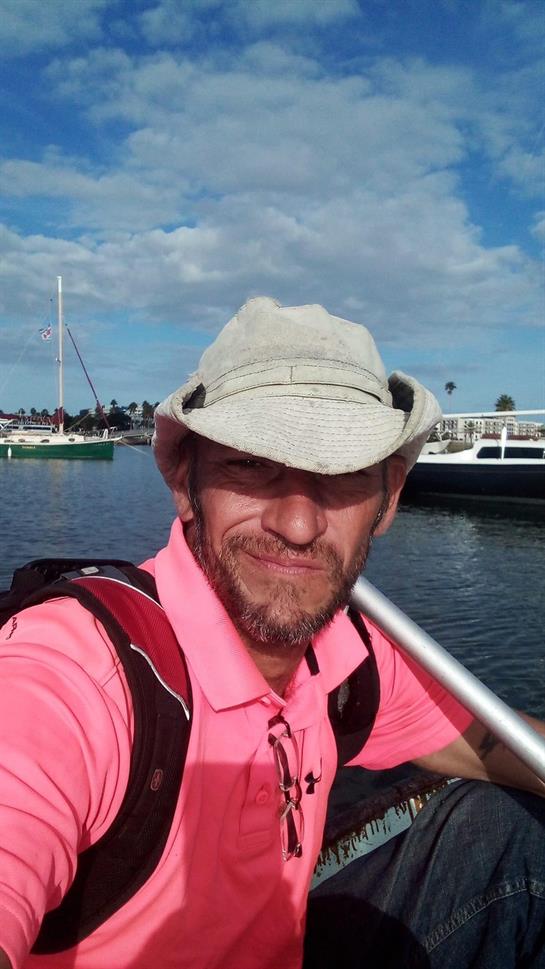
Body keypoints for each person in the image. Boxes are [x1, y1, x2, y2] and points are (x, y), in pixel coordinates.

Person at [0, 297, 543, 969]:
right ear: (182, 481)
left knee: (515, 832)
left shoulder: (345, 659)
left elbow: (491, 742)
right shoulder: (78, 675)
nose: (297, 523)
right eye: (252, 464)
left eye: (341, 472)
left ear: (388, 496)